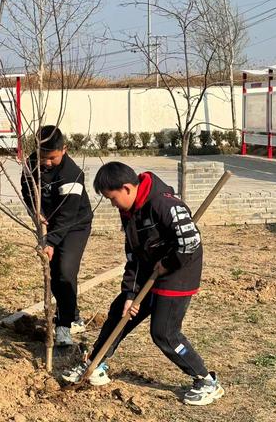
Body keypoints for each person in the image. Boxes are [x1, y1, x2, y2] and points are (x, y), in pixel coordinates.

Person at [62, 162, 224, 406]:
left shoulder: (164, 204)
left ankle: (206, 381)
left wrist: (168, 263)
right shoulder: (129, 211)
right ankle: (94, 363)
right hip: (151, 268)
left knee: (164, 332)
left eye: (113, 198)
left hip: (178, 272)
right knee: (121, 312)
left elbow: (190, 242)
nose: (112, 204)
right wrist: (130, 293)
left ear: (127, 188)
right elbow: (134, 255)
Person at [21, 125, 92, 346]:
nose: (47, 162)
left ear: (65, 149)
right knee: (53, 273)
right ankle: (72, 314)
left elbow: (68, 215)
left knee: (65, 271)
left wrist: (51, 241)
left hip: (75, 225)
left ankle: (64, 327)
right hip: (50, 222)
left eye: (52, 157)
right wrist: (36, 212)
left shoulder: (71, 174)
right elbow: (27, 189)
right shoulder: (31, 163)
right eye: (43, 157)